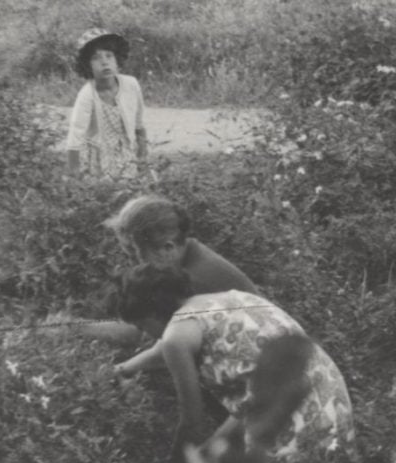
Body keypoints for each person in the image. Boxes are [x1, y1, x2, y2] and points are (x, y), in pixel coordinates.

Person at [112, 265, 353, 463]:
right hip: (330, 399)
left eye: (143, 326)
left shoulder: (177, 336)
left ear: (152, 314)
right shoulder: (229, 298)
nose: (144, 334)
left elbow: (192, 422)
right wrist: (125, 368)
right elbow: (163, 347)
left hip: (294, 423)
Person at [50, 195, 259, 346]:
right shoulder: (187, 254)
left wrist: (76, 329)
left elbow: (150, 332)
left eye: (134, 254)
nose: (134, 263)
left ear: (167, 247)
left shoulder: (196, 277)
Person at [64, 30, 152, 182]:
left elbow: (138, 126)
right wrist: (74, 174)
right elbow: (75, 136)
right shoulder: (87, 95)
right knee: (104, 191)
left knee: (135, 191)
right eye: (96, 58)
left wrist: (142, 158)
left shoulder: (131, 85)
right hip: (97, 160)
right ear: (87, 66)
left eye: (109, 56)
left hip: (126, 156)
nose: (104, 62)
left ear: (117, 60)